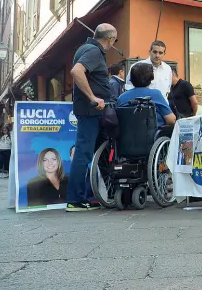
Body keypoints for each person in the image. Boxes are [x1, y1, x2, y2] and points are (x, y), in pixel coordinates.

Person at [66, 23, 117, 212]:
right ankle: (75, 199)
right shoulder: (94, 52)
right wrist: (93, 97)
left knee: (93, 152)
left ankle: (94, 194)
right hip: (90, 111)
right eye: (115, 40)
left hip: (91, 111)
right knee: (84, 152)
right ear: (110, 39)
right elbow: (76, 72)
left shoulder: (85, 48)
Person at [118, 63, 176, 128]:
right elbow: (171, 120)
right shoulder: (155, 94)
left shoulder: (121, 97)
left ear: (131, 79)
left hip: (128, 136)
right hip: (153, 136)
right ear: (151, 78)